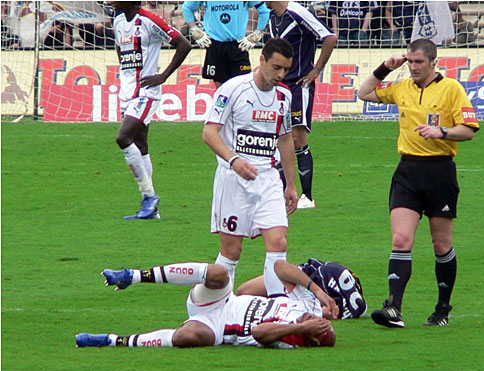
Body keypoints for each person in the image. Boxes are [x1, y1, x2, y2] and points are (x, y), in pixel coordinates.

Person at [357, 38, 480, 328]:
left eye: (419, 62)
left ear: (433, 62)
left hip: (439, 173)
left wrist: (442, 132)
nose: (413, 67)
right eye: (410, 61)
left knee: (441, 244)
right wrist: (385, 67)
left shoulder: (452, 89)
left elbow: (470, 130)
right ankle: (393, 309)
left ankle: (442, 309)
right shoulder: (402, 87)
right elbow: (364, 93)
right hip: (408, 172)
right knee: (401, 240)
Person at [202, 38, 298, 297]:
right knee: (232, 252)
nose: (280, 75)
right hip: (232, 180)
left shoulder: (284, 96)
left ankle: (278, 308)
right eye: (276, 67)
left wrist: (291, 183)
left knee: (278, 244)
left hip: (268, 179)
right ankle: (216, 308)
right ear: (262, 60)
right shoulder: (233, 89)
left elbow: (285, 138)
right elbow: (210, 132)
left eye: (286, 70)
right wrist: (234, 160)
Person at [76, 258, 338, 348]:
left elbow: (259, 332)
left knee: (186, 337)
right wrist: (315, 288)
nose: (316, 320)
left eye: (318, 327)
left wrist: (300, 329)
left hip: (216, 325)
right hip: (223, 299)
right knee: (218, 273)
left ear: (312, 338)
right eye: (321, 321)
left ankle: (112, 340)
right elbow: (280, 267)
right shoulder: (301, 305)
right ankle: (131, 277)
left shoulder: (290, 339)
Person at [113, 1, 191, 219]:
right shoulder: (118, 21)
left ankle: (149, 196)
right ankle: (151, 210)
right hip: (126, 93)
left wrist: (163, 76)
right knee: (141, 145)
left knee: (122, 138)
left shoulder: (149, 20)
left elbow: (183, 44)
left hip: (146, 92)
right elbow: (120, 48)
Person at [266, 1, 337, 209]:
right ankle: (281, 193)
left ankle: (307, 196)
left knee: (297, 139)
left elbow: (329, 37)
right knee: (278, 137)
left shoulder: (297, 13)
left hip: (299, 85)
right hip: (279, 86)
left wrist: (316, 70)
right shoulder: (273, 17)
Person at [237, 258, 367, 319]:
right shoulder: (312, 288)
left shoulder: (313, 309)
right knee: (245, 292)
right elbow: (280, 266)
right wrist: (317, 290)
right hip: (315, 283)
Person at [183, 1, 270, 88]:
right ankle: (220, 102)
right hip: (216, 46)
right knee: (221, 89)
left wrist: (258, 32)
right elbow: (187, 8)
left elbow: (265, 11)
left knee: (241, 86)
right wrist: (194, 28)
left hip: (238, 46)